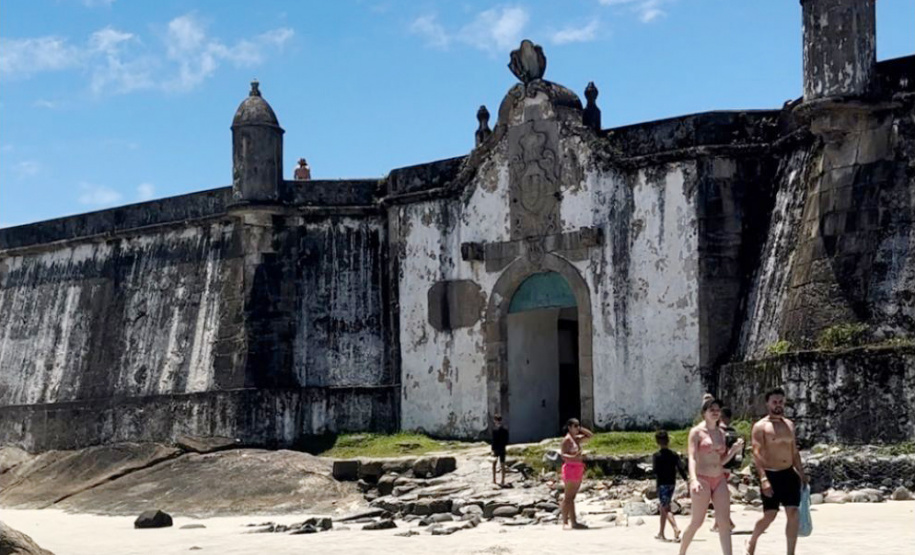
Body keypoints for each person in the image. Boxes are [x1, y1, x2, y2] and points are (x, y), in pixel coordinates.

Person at [678, 397, 745, 555]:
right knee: (697, 521)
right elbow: (692, 458)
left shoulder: (721, 432)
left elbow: (721, 461)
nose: (715, 412)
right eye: (712, 410)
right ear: (704, 413)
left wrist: (733, 451)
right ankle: (682, 552)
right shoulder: (696, 432)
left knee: (724, 523)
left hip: (719, 478)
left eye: (717, 410)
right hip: (702, 478)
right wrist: (693, 480)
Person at [746, 387, 807, 555]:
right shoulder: (760, 426)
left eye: (780, 402)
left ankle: (790, 552)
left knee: (793, 513)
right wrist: (763, 479)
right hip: (771, 474)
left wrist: (801, 473)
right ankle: (752, 540)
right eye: (774, 402)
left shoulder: (789, 425)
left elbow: (794, 451)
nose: (778, 405)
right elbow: (757, 453)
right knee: (770, 515)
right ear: (768, 403)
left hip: (789, 473)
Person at [652, 430, 687, 542]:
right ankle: (661, 533)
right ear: (668, 440)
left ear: (657, 442)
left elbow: (655, 470)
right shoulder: (674, 455)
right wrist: (686, 479)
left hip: (662, 484)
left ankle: (675, 528)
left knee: (665, 508)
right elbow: (681, 468)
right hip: (672, 483)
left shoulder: (656, 456)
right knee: (664, 507)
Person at [711, 406, 741, 533]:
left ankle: (727, 522)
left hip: (718, 466)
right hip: (729, 468)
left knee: (716, 496)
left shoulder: (718, 431)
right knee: (719, 495)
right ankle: (717, 523)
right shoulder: (733, 432)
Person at [560, 417, 593, 530]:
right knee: (568, 497)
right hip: (570, 469)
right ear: (569, 427)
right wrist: (574, 456)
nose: (577, 428)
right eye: (575, 426)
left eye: (578, 426)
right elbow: (563, 455)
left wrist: (581, 428)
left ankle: (573, 522)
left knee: (572, 497)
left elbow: (590, 436)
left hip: (578, 468)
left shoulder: (576, 439)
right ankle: (565, 521)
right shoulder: (567, 440)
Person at [491, 414, 509, 486]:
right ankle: (502, 480)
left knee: (494, 465)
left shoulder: (494, 430)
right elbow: (506, 440)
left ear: (495, 420)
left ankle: (494, 479)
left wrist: (492, 450)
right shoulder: (505, 430)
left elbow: (493, 441)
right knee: (502, 465)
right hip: (502, 448)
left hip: (496, 449)